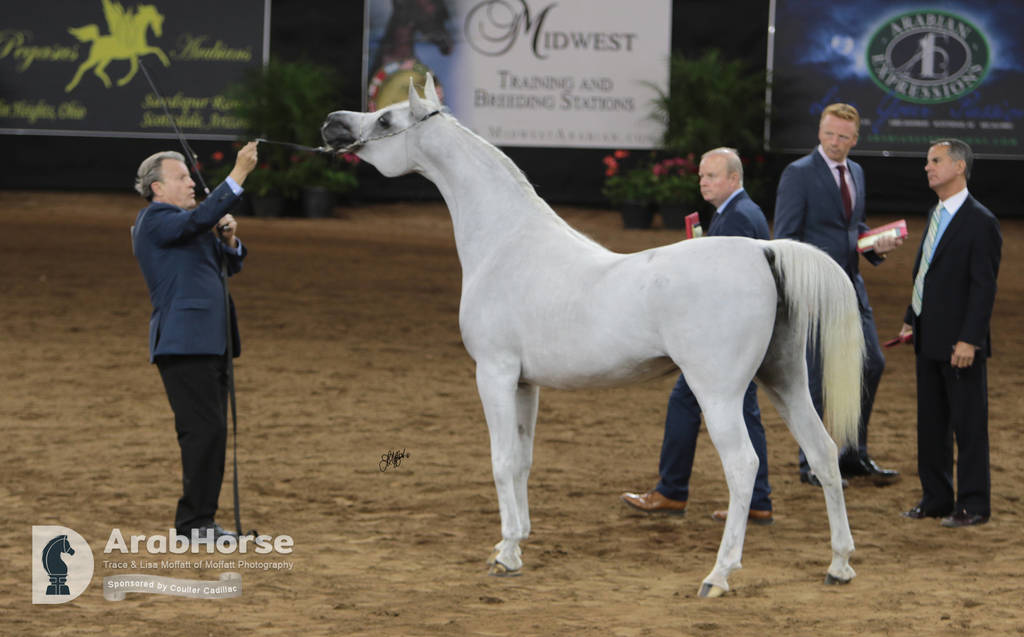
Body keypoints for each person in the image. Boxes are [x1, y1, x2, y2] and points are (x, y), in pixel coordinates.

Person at [621, 147, 774, 525]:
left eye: (711, 176)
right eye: (702, 176)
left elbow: (727, 285)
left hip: (723, 342)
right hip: (733, 340)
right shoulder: (737, 214)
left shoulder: (738, 217)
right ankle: (754, 499)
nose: (702, 182)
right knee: (739, 411)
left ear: (734, 179)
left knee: (691, 405)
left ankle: (674, 492)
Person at [132, 141, 259, 541]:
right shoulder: (155, 220)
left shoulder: (186, 225)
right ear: (157, 188)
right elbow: (199, 220)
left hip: (207, 342)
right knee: (203, 432)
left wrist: (229, 241)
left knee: (211, 432)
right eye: (182, 177)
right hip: (185, 343)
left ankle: (200, 520)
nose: (191, 183)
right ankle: (194, 523)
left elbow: (227, 265)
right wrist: (238, 173)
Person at [773, 103, 902, 487]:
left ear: (855, 139)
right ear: (819, 132)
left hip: (851, 287)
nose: (834, 142)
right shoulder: (798, 174)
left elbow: (853, 227)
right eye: (829, 134)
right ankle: (812, 462)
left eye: (843, 137)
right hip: (814, 292)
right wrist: (800, 294)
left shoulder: (856, 172)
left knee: (871, 364)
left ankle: (852, 454)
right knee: (814, 379)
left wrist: (876, 245)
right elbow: (785, 239)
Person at [899, 139, 1001, 527]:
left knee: (968, 425)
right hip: (928, 337)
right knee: (931, 423)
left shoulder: (981, 221)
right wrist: (912, 317)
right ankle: (937, 498)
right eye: (928, 161)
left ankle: (974, 504)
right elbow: (926, 272)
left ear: (959, 166)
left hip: (960, 343)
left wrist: (970, 339)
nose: (927, 167)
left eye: (936, 161)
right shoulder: (936, 212)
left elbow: (983, 287)